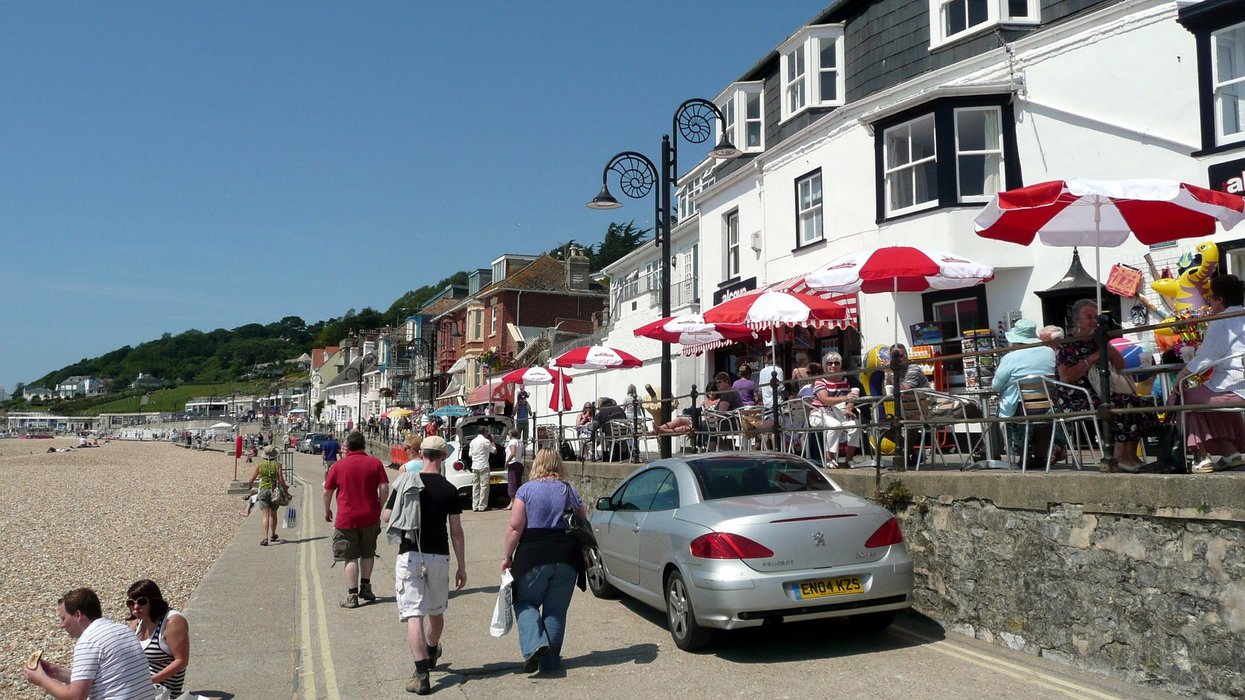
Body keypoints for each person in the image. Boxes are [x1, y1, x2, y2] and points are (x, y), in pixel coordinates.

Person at [382, 435, 466, 695]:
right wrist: (462, 566)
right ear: (442, 457)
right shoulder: (449, 490)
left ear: (422, 455)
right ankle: (431, 650)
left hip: (409, 555)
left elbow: (386, 515)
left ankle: (422, 675)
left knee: (413, 616)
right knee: (437, 612)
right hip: (439, 556)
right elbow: (456, 531)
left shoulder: (406, 481)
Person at [501, 448, 587, 676]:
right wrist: (586, 554)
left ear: (537, 464)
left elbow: (515, 526)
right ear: (558, 464)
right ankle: (549, 662)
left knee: (525, 602)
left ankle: (534, 645)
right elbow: (583, 523)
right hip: (567, 555)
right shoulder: (569, 490)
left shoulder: (526, 490)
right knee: (556, 610)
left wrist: (507, 557)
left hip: (534, 555)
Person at [1055, 298, 1158, 472]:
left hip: (1103, 391)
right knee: (1120, 403)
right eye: (1089, 317)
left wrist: (1107, 348)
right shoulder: (1067, 345)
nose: (1094, 321)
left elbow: (1122, 366)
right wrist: (1092, 358)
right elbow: (1066, 377)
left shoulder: (1098, 341)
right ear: (1077, 321)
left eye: (1096, 317)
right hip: (1077, 396)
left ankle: (1131, 455)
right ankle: (1118, 456)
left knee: (1141, 403)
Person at [23, 587, 155, 699]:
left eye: (63, 618)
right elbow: (102, 679)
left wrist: (40, 679)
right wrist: (56, 672)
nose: (61, 625)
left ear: (78, 615)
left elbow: (75, 697)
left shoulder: (89, 641)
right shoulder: (124, 630)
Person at [1175, 274, 1245, 472]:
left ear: (1220, 299)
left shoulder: (1222, 321)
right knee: (1203, 396)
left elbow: (1205, 359)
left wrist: (1181, 376)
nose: (1209, 301)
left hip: (1234, 385)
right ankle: (1229, 451)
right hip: (1233, 384)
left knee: (1181, 398)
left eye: (1211, 298)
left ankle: (1201, 456)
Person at [324, 431, 391, 608]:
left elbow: (327, 491)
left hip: (346, 518)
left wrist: (327, 509)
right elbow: (384, 487)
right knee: (368, 553)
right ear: (363, 445)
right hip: (370, 516)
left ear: (348, 447)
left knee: (350, 557)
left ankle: (352, 596)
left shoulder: (338, 466)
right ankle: (366, 588)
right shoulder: (375, 463)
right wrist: (379, 505)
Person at [991, 320, 1062, 464]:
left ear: (1016, 341)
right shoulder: (1049, 352)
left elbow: (996, 386)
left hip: (1020, 408)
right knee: (1043, 418)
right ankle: (1041, 456)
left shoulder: (1011, 357)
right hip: (1049, 407)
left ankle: (1024, 457)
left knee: (1013, 417)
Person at [125, 580, 189, 698]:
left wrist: (150, 680)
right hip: (141, 684)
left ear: (153, 601)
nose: (135, 607)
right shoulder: (137, 622)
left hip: (164, 690)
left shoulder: (173, 622)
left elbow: (181, 660)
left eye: (141, 602)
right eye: (130, 603)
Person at [808, 352, 861, 467]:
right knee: (834, 424)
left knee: (855, 425)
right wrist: (846, 398)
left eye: (836, 363)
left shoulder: (844, 381)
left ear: (840, 365)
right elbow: (825, 399)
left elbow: (850, 398)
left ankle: (849, 458)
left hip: (837, 412)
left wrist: (848, 407)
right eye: (829, 363)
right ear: (824, 366)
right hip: (819, 413)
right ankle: (829, 458)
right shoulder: (820, 381)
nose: (833, 366)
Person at [246, 446, 291, 546]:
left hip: (263, 491)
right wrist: (287, 492)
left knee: (265, 516)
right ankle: (273, 534)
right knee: (273, 515)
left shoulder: (261, 465)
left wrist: (250, 488)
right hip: (274, 492)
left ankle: (265, 538)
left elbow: (251, 480)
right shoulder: (277, 465)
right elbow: (281, 480)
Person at [468, 428, 497, 512]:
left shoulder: (473, 441)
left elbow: (470, 454)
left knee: (475, 486)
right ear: (485, 432)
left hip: (475, 465)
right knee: (484, 486)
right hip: (484, 465)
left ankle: (475, 506)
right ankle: (482, 506)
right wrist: (493, 442)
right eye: (487, 432)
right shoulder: (485, 441)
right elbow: (494, 451)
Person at [504, 428, 523, 509]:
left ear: (511, 434)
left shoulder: (512, 441)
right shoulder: (520, 442)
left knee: (512, 483)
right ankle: (519, 501)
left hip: (513, 463)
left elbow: (513, 452)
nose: (508, 436)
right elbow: (523, 453)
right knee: (518, 482)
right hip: (519, 463)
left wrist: (507, 461)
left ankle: (512, 503)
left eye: (508, 434)